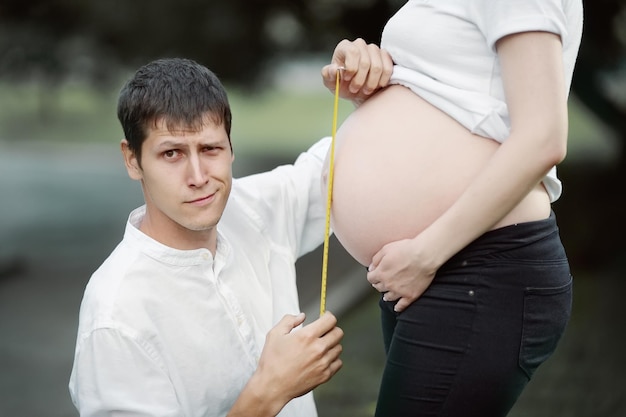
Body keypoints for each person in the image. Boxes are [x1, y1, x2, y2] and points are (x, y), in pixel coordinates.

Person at [68, 54, 388, 417]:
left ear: (231, 147)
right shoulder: (115, 314)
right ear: (133, 159)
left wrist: (368, 95)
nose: (198, 175)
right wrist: (269, 392)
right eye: (171, 153)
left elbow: (339, 164)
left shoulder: (250, 209)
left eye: (210, 149)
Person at [320, 1, 584, 416]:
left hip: (476, 264)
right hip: (427, 264)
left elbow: (543, 137)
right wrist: (369, 82)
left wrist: (426, 254)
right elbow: (459, 101)